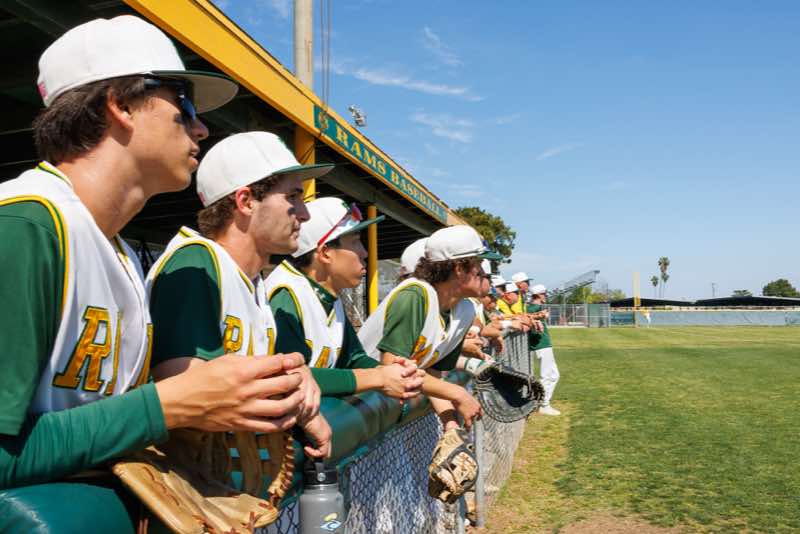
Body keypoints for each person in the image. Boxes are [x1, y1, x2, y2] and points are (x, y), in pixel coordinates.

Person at [0, 15, 305, 489]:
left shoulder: (116, 252)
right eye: (184, 104)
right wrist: (167, 406)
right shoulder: (25, 225)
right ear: (121, 105)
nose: (201, 129)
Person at [146, 131, 335, 457]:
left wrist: (292, 374)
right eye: (292, 197)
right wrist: (291, 390)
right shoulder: (197, 261)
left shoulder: (253, 283)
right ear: (246, 201)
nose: (305, 214)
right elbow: (186, 392)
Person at [266, 197, 424, 400]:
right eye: (355, 242)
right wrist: (379, 378)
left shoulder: (328, 294)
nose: (364, 253)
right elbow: (291, 377)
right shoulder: (285, 294)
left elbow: (353, 358)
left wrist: (394, 374)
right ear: (325, 253)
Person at [358, 225, 502, 431]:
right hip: (359, 406)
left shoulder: (465, 309)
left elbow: (432, 375)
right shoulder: (415, 295)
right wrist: (458, 393)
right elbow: (393, 371)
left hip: (391, 408)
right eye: (477, 263)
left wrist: (450, 424)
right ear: (459, 269)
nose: (483, 271)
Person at [528, 284, 560, 415]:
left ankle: (543, 402)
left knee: (554, 375)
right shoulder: (534, 308)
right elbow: (530, 317)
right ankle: (543, 404)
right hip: (541, 345)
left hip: (543, 345)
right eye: (544, 294)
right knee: (548, 375)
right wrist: (539, 315)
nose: (545, 296)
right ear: (538, 295)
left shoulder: (535, 308)